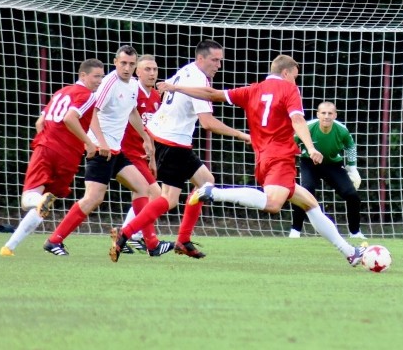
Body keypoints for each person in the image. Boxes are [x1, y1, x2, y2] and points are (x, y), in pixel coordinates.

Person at [115, 54, 366, 267]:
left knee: (310, 203)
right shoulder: (289, 88)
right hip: (280, 157)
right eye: (295, 75)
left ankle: (349, 252)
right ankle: (215, 194)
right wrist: (310, 147)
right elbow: (298, 121)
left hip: (263, 158)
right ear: (288, 73)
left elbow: (211, 94)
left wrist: (177, 87)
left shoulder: (253, 89)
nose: (295, 80)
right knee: (273, 203)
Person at [108, 40, 250, 261]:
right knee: (169, 198)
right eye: (215, 60)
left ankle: (180, 240)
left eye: (220, 60)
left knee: (205, 182)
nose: (219, 65)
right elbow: (207, 123)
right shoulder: (199, 79)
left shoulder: (186, 70)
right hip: (172, 143)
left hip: (167, 138)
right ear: (201, 59)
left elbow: (166, 95)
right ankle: (126, 234)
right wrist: (242, 135)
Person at [41, 46, 174, 257]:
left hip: (116, 151)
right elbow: (92, 112)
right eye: (123, 63)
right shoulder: (109, 83)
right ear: (115, 62)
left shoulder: (131, 86)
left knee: (143, 189)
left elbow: (132, 113)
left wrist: (146, 137)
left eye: (131, 64)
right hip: (102, 151)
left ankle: (152, 244)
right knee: (93, 198)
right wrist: (100, 143)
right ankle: (54, 240)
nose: (127, 68)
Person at [0, 59, 105, 256]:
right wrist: (87, 143)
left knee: (30, 199)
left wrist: (51, 141)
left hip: (47, 149)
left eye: (101, 76)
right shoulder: (88, 95)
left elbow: (42, 122)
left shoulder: (62, 92)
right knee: (44, 204)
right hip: (68, 157)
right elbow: (70, 119)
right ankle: (9, 247)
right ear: (83, 75)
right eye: (96, 76)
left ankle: (33, 208)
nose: (99, 80)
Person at [288, 101, 365, 240]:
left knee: (352, 195)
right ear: (318, 114)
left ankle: (355, 233)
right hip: (309, 163)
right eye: (323, 113)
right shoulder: (308, 127)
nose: (326, 116)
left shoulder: (342, 130)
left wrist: (352, 168)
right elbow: (291, 143)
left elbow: (350, 146)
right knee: (306, 190)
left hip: (332, 164)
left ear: (335, 115)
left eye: (330, 113)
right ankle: (295, 231)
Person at [118, 54, 166, 253]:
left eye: (154, 69)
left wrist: (153, 157)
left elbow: (152, 129)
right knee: (155, 194)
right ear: (137, 72)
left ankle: (129, 234)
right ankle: (136, 235)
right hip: (127, 151)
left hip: (143, 154)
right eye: (147, 69)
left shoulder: (155, 96)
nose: (152, 73)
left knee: (144, 194)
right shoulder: (131, 92)